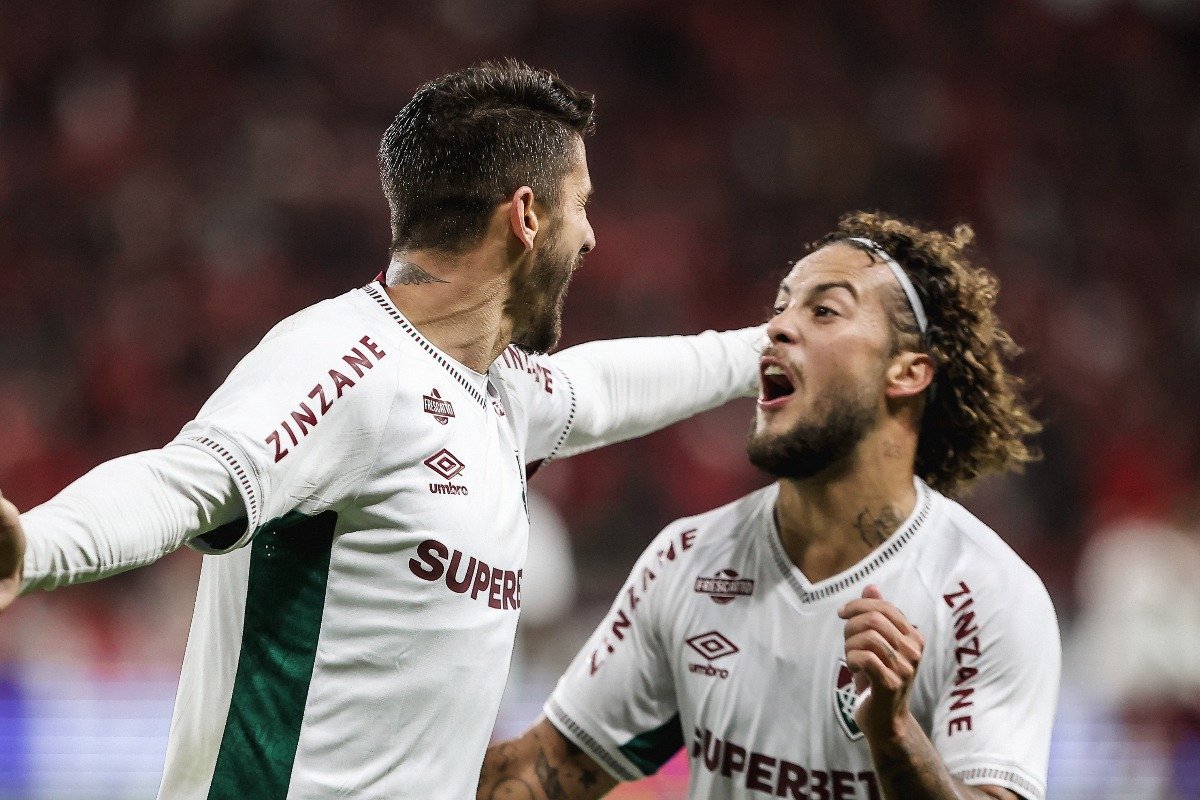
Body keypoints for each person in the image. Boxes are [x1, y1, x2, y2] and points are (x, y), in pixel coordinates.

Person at [0, 61, 765, 799]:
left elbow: (614, 386)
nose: (593, 236)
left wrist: (774, 347)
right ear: (528, 215)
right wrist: (33, 548)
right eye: (583, 203)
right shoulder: (345, 362)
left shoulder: (496, 388)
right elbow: (184, 482)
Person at [478, 212, 1061, 800]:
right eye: (779, 309)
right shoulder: (690, 561)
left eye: (824, 310)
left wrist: (892, 734)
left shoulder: (986, 593)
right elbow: (540, 773)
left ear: (907, 372)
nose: (776, 330)